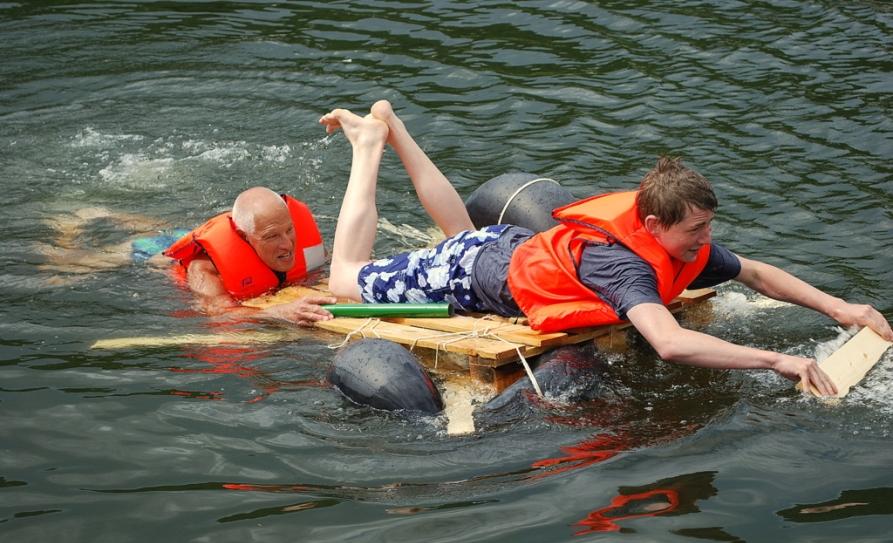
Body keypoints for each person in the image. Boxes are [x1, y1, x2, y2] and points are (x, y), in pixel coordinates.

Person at [319, 100, 893, 396]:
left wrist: (842, 309)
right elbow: (668, 344)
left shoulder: (677, 244)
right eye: (695, 231)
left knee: (459, 232)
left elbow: (758, 273)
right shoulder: (623, 267)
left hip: (515, 247)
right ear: (652, 223)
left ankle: (393, 127)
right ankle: (369, 145)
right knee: (346, 277)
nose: (706, 242)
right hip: (477, 270)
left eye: (707, 227)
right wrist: (779, 360)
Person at [41, 189, 336, 326]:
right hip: (157, 253)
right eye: (273, 236)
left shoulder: (296, 239)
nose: (287, 244)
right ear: (245, 238)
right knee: (72, 264)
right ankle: (67, 226)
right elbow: (218, 312)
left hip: (207, 232)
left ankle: (104, 212)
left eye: (289, 230)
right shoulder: (206, 269)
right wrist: (279, 313)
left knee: (171, 228)